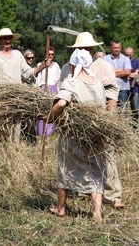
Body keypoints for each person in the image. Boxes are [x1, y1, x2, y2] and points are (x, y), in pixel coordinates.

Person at [60, 32, 124, 209]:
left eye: (89, 48)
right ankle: (82, 190)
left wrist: (109, 118)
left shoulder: (102, 66)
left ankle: (113, 196)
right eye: (82, 48)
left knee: (105, 155)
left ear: (93, 49)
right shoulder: (68, 67)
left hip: (99, 120)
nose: (86, 51)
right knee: (75, 156)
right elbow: (62, 93)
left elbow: (112, 92)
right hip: (74, 122)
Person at [43, 49, 107, 222]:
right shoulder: (98, 83)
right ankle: (96, 213)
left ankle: (61, 208)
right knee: (95, 170)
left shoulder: (72, 81)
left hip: (74, 135)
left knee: (65, 170)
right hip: (96, 136)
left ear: (73, 65)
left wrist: (49, 118)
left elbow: (62, 102)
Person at [0, 28, 48, 144]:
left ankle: (15, 149)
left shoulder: (18, 55)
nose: (7, 41)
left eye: (9, 38)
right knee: (1, 127)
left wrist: (42, 66)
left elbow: (28, 73)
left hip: (16, 97)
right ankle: (2, 151)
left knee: (16, 126)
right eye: (5, 38)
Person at [103, 40, 132, 112]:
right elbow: (104, 72)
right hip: (110, 88)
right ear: (110, 48)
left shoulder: (125, 59)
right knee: (110, 110)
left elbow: (128, 72)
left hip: (123, 88)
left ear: (121, 48)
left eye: (118, 47)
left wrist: (112, 72)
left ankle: (123, 123)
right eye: (115, 47)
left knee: (123, 110)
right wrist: (120, 71)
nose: (117, 49)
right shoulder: (105, 59)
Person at [124, 46, 139, 127]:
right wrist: (133, 74)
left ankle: (134, 127)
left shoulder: (137, 62)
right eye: (126, 55)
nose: (128, 57)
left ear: (133, 53)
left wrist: (127, 74)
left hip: (135, 90)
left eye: (129, 55)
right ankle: (124, 128)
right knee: (124, 109)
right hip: (124, 89)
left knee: (135, 110)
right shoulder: (122, 61)